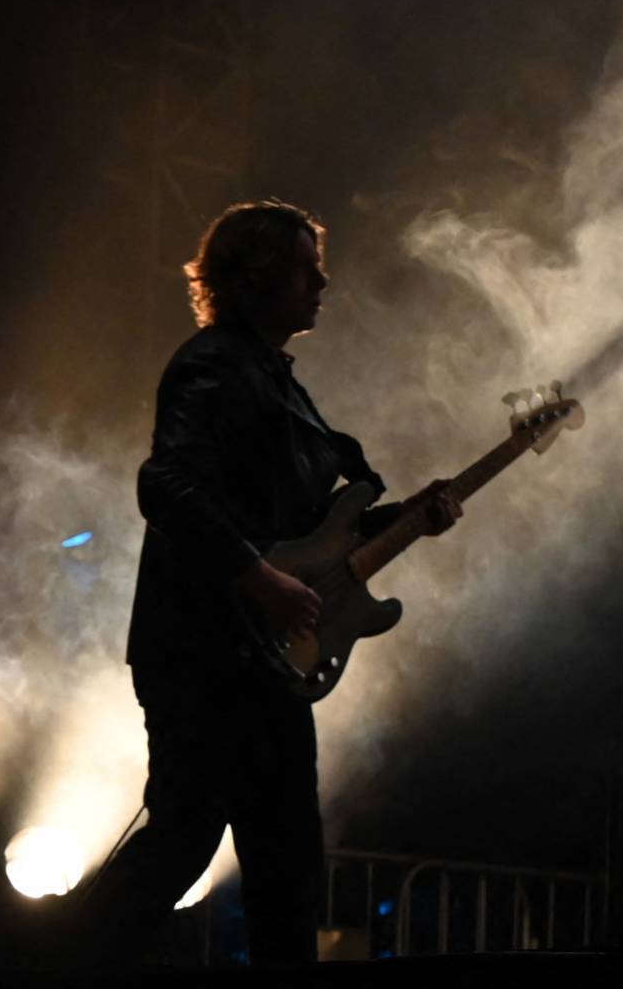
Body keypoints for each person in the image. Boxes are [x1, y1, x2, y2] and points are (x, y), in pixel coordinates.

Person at [81, 199, 463, 966]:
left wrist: (409, 517)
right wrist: (254, 577)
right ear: (257, 275)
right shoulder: (213, 363)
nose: (322, 281)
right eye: (305, 267)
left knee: (285, 859)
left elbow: (312, 530)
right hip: (205, 652)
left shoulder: (277, 381)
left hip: (267, 664)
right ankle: (56, 959)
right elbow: (166, 484)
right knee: (187, 840)